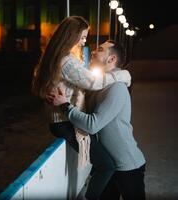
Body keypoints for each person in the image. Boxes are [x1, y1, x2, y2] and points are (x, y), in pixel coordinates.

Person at [31, 16, 131, 200]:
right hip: (66, 122)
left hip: (62, 120)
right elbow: (93, 81)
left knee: (101, 161)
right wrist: (122, 75)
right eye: (83, 37)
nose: (84, 41)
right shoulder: (66, 60)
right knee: (106, 165)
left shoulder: (57, 56)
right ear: (72, 35)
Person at [48, 40, 146, 200]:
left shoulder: (117, 88)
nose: (93, 51)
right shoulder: (98, 86)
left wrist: (66, 107)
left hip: (128, 166)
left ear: (111, 59)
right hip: (110, 165)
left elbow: (92, 125)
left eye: (100, 50)